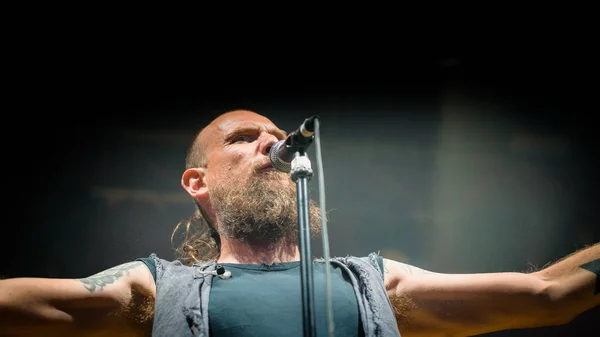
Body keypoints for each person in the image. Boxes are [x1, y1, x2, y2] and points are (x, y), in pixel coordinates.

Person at [0, 109, 598, 337]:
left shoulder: (373, 285)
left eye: (277, 136)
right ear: (197, 182)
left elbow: (551, 294)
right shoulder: (153, 292)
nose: (272, 144)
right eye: (243, 138)